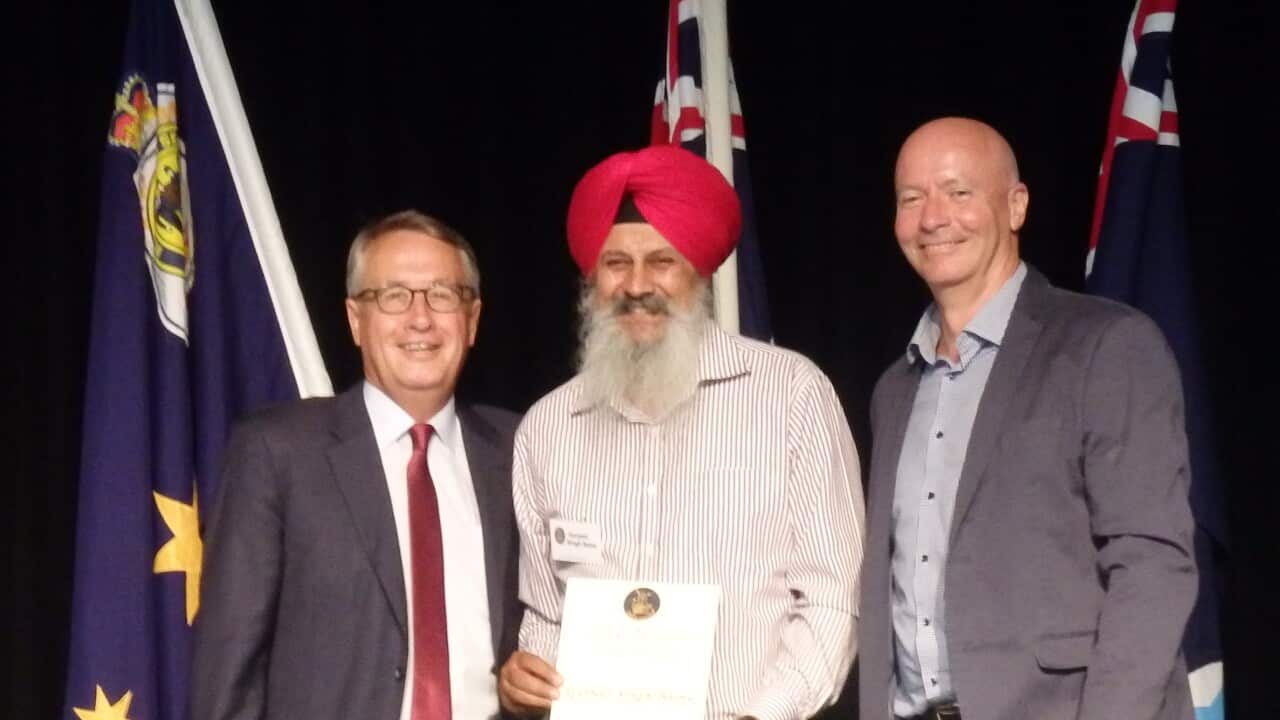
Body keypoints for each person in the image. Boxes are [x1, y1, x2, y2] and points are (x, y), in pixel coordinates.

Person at [497, 145, 865, 720]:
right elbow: (548, 616)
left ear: (701, 268)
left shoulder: (791, 395)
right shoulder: (547, 428)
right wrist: (525, 677)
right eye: (616, 263)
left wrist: (762, 716)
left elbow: (832, 598)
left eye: (662, 261)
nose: (637, 285)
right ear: (591, 278)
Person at [858, 117, 1197, 720]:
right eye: (912, 198)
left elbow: (1151, 567)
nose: (933, 217)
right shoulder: (894, 390)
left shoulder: (1107, 346)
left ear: (1016, 207)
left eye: (959, 192)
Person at [192, 211, 521, 720]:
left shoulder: (522, 449)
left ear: (472, 319)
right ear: (354, 320)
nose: (420, 318)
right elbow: (228, 674)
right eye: (393, 296)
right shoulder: (277, 452)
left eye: (442, 294)